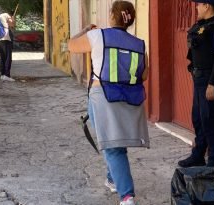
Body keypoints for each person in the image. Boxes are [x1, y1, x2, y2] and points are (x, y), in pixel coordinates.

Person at [68, 1, 149, 205]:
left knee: (113, 147)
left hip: (102, 97)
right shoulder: (139, 44)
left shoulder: (97, 36)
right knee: (114, 140)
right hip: (130, 98)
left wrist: (85, 30)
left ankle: (127, 196)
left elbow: (70, 46)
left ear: (112, 16)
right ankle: (113, 178)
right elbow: (144, 75)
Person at [177, 0, 214, 168]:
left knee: (209, 119)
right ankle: (198, 154)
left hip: (212, 80)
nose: (196, 7)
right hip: (200, 79)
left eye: (199, 4)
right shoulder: (201, 26)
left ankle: (213, 161)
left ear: (207, 6)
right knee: (198, 118)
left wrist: (212, 84)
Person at [0, 11, 14, 82]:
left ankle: (2, 74)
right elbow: (12, 25)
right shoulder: (6, 15)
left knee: (3, 58)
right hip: (5, 39)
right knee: (8, 58)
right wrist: (13, 20)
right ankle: (7, 75)